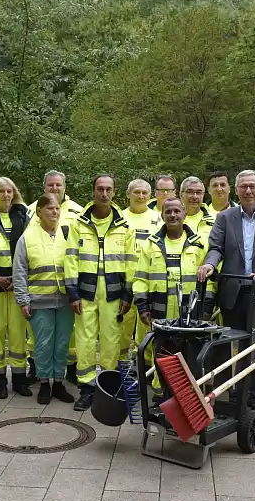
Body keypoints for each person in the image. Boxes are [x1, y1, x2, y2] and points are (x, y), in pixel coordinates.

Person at [198, 170, 255, 410]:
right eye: (243, 186)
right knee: (229, 345)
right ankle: (232, 392)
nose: (248, 191)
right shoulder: (225, 218)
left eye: (252, 186)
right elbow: (216, 247)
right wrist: (209, 263)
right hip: (233, 293)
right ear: (236, 190)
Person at [65, 174, 136, 411]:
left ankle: (106, 387)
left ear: (114, 193)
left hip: (114, 292)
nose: (104, 194)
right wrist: (72, 293)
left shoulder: (125, 225)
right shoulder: (79, 223)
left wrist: (128, 294)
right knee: (84, 340)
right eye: (100, 189)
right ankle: (86, 388)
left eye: (108, 189)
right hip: (85, 290)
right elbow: (71, 259)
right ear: (93, 192)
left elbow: (131, 262)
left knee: (110, 341)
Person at [133, 196, 216, 396]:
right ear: (161, 215)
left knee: (189, 356)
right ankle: (162, 394)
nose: (172, 215)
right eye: (168, 211)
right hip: (159, 312)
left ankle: (188, 396)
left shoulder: (199, 244)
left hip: (191, 314)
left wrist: (206, 309)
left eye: (177, 211)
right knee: (161, 354)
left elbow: (211, 281)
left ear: (185, 214)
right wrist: (143, 307)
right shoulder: (150, 244)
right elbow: (140, 278)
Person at [13, 194, 76, 405]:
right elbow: (19, 271)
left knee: (62, 344)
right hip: (39, 301)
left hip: (65, 301)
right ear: (39, 211)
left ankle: (58, 382)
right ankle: (43, 383)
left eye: (57, 208)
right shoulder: (28, 237)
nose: (54, 212)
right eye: (49, 208)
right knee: (43, 345)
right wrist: (23, 300)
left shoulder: (68, 234)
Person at [27, 169, 84, 383]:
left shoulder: (78, 211)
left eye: (58, 185)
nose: (54, 188)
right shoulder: (31, 210)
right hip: (38, 284)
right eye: (50, 185)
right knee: (38, 333)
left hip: (67, 282)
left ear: (64, 187)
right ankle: (36, 367)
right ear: (44, 187)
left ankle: (68, 369)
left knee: (67, 333)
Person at [0, 177, 30, 399]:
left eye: (9, 191)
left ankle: (20, 380)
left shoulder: (24, 216)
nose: (6, 195)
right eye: (1, 191)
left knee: (18, 334)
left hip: (18, 286)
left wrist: (21, 280)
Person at [121, 179, 162, 360]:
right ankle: (119, 367)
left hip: (148, 281)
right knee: (122, 328)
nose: (140, 196)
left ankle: (144, 365)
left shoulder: (158, 218)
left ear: (150, 195)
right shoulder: (119, 217)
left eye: (144, 193)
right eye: (136, 192)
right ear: (128, 194)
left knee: (147, 325)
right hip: (124, 282)